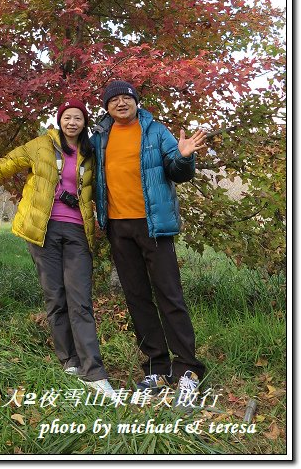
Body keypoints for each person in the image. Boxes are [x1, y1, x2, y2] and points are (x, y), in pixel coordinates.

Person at [0, 98, 116, 398]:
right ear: (59, 120)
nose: (72, 123)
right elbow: (5, 164)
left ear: (84, 122)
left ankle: (95, 372)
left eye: (78, 118)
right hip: (43, 231)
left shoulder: (92, 151)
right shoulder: (39, 145)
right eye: (67, 118)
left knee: (80, 300)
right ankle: (69, 361)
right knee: (55, 297)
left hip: (78, 232)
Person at [91, 79, 206, 405]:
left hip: (154, 227)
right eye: (114, 101)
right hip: (118, 227)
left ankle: (187, 370)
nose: (121, 104)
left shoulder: (156, 131)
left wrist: (183, 157)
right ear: (107, 107)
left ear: (136, 101)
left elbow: (178, 171)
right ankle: (156, 365)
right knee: (137, 298)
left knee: (169, 295)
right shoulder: (101, 136)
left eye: (126, 98)